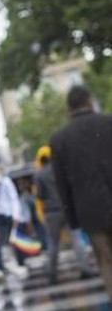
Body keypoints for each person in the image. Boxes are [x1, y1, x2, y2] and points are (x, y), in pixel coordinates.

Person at [50, 85, 112, 299]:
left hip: (89, 211)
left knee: (105, 261)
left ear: (69, 108)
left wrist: (73, 219)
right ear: (89, 100)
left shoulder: (60, 138)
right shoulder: (108, 123)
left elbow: (62, 183)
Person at [34, 146, 94, 284]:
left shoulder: (39, 175)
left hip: (51, 213)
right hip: (67, 209)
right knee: (77, 240)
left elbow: (40, 196)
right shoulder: (61, 170)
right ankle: (86, 268)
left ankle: (52, 274)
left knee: (53, 244)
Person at [0, 162, 24, 275]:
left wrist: (16, 215)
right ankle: (0, 265)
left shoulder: (4, 182)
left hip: (7, 214)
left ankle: (20, 261)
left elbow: (13, 198)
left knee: (13, 239)